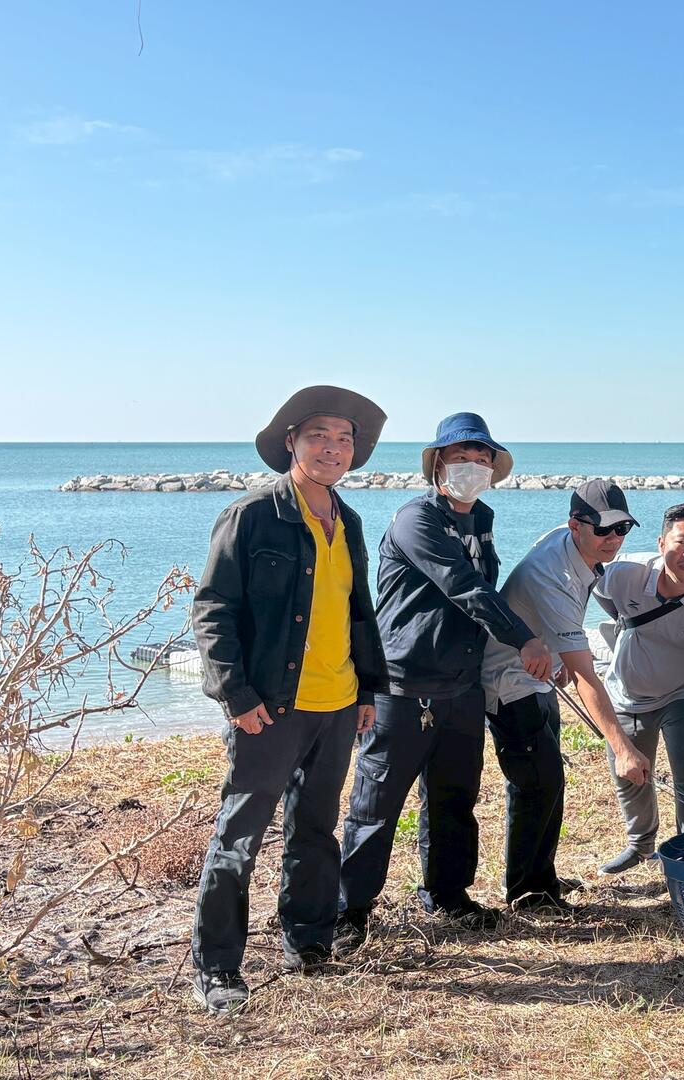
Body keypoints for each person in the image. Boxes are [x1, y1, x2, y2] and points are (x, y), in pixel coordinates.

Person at [187, 385, 387, 1014]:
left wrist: (368, 689)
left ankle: (308, 940)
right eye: (319, 435)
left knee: (317, 830)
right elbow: (213, 609)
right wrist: (236, 694)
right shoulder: (250, 516)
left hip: (338, 702)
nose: (333, 448)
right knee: (240, 835)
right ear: (291, 441)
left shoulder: (349, 520)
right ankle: (218, 967)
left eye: (344, 438)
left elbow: (358, 613)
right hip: (269, 707)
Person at [335, 413, 561, 953]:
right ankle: (348, 910)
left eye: (483, 459)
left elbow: (488, 585)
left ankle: (448, 893)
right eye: (462, 457)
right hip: (404, 683)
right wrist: (525, 639)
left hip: (461, 685)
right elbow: (464, 587)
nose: (473, 467)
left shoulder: (481, 518)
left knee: (455, 795)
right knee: (377, 802)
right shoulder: (416, 519)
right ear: (438, 463)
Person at [487, 480, 655, 887]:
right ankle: (527, 891)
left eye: (622, 528)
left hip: (540, 672)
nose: (613, 539)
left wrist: (558, 654)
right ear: (575, 524)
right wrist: (623, 749)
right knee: (536, 783)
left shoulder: (573, 544)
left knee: (549, 782)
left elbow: (564, 644)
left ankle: (540, 878)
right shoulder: (553, 574)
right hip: (508, 682)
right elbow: (585, 675)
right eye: (603, 529)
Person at [590, 500, 684, 873]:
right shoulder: (626, 573)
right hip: (628, 688)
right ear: (661, 543)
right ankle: (640, 845)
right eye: (681, 543)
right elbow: (596, 589)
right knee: (629, 771)